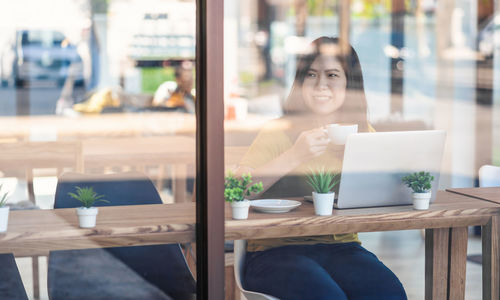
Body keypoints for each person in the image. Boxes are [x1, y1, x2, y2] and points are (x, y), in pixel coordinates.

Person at [235, 37, 407, 299]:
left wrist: (362, 164)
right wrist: (295, 155)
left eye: (332, 75)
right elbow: (239, 191)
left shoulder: (361, 134)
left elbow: (384, 196)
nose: (320, 84)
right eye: (311, 74)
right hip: (274, 252)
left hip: (342, 248)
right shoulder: (278, 131)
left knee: (389, 293)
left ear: (350, 83)